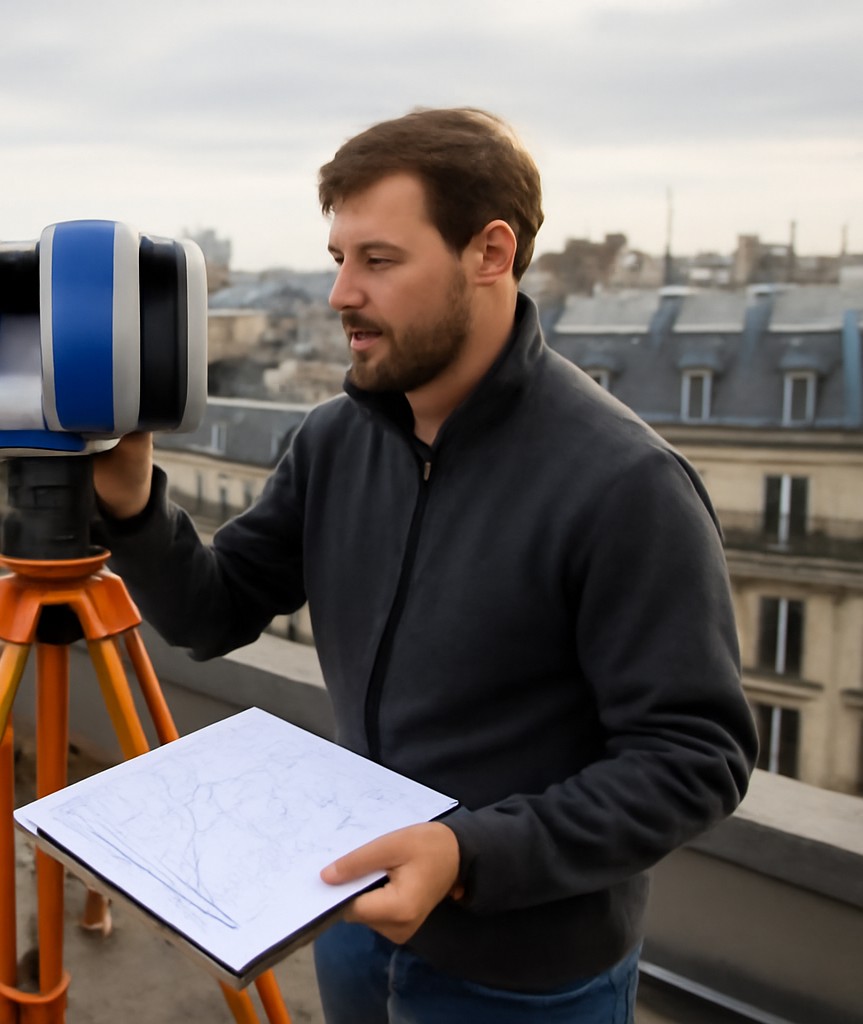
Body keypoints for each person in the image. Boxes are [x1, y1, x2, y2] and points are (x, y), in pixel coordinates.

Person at [91, 109, 757, 1023]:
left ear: (490, 252)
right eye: (338, 259)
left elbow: (695, 758)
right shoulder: (335, 439)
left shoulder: (625, 482)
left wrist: (469, 857)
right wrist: (131, 505)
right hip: (356, 916)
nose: (340, 296)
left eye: (379, 260)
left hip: (526, 972)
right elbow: (214, 611)